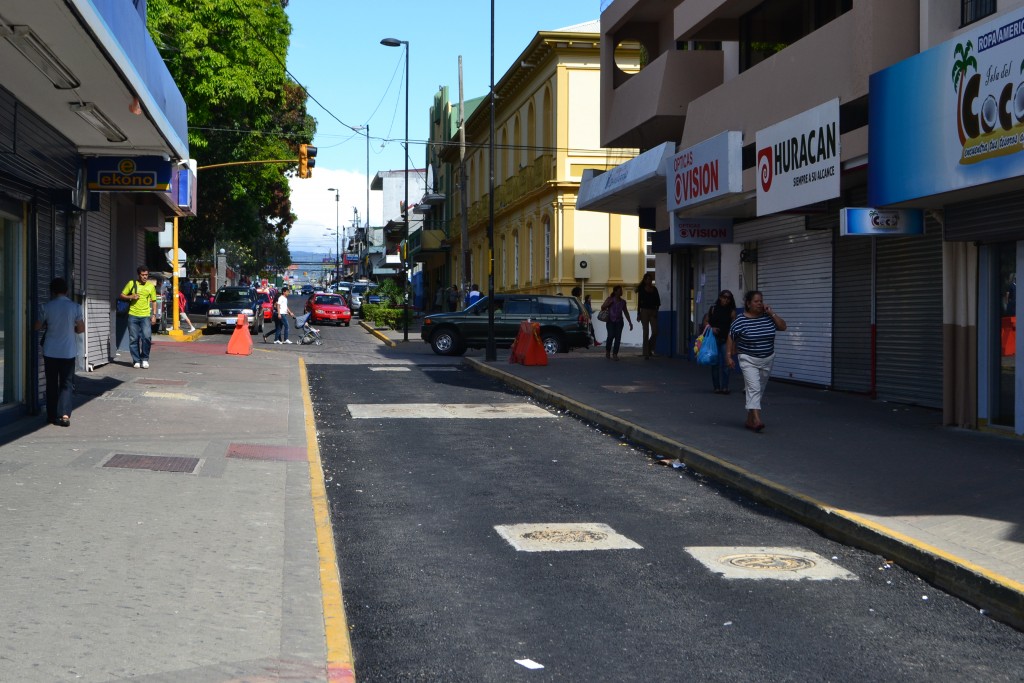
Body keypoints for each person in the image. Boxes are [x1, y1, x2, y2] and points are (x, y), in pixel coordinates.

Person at [726, 290, 786, 432]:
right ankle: (758, 420)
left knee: (759, 389)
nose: (760, 304)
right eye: (756, 301)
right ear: (748, 304)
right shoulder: (740, 320)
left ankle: (749, 420)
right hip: (748, 359)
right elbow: (731, 336)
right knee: (754, 388)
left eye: (761, 301)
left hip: (767, 359)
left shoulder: (768, 317)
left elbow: (783, 327)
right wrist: (728, 355)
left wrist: (771, 313)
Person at [34, 278, 84, 427]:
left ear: (52, 292)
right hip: (68, 351)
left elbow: (37, 326)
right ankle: (64, 414)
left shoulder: (46, 307)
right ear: (67, 291)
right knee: (66, 383)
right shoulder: (75, 307)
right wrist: (72, 329)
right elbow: (81, 329)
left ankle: (51, 416)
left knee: (51, 384)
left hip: (50, 351)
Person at [119, 266, 159, 369]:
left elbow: (154, 301)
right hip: (133, 315)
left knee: (146, 337)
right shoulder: (131, 284)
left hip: (145, 316)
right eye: (143, 275)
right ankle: (136, 360)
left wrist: (154, 315)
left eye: (146, 275)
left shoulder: (150, 287)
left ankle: (144, 359)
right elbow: (122, 295)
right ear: (139, 275)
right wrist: (130, 297)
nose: (145, 277)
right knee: (133, 339)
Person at [703, 290, 737, 394]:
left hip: (726, 340)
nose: (725, 299)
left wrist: (733, 344)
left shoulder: (732, 312)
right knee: (715, 363)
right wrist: (711, 328)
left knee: (726, 363)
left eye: (728, 298)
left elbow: (734, 327)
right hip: (713, 340)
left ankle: (725, 387)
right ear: (720, 297)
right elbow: (705, 321)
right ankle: (716, 387)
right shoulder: (713, 309)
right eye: (723, 297)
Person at [600, 285, 633, 361]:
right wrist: (609, 304)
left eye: (621, 290)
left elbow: (626, 312)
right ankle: (608, 351)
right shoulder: (610, 299)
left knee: (618, 338)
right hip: (610, 321)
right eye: (620, 290)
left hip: (619, 322)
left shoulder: (623, 302)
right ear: (615, 292)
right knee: (611, 336)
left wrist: (630, 322)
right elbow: (602, 307)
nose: (621, 292)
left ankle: (615, 354)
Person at [636, 272, 661, 359]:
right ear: (645, 280)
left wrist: (656, 311)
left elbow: (658, 302)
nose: (649, 281)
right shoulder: (642, 289)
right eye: (648, 279)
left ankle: (649, 348)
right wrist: (638, 313)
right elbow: (639, 303)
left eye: (650, 279)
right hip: (644, 311)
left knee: (655, 331)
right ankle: (646, 353)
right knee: (645, 332)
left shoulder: (655, 289)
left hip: (653, 311)